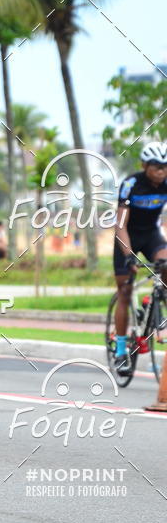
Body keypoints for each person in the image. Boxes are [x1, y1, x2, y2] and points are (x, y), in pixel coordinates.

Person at [113, 141, 167, 376]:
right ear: (145, 165)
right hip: (127, 237)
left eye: (165, 167)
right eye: (157, 166)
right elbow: (120, 225)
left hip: (151, 236)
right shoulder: (131, 184)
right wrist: (129, 256)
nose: (162, 171)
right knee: (125, 292)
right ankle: (122, 350)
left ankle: (157, 303)